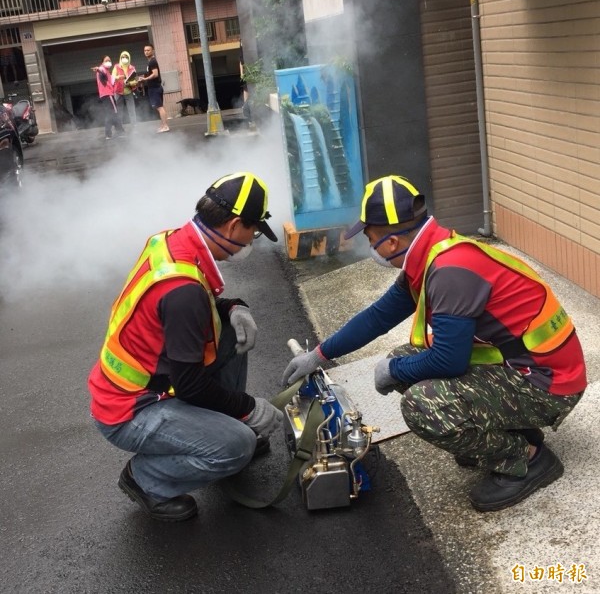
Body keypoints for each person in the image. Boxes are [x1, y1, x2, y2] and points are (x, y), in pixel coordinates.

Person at [282, 175, 587, 513]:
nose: (369, 246)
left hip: (549, 385)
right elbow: (379, 316)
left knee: (423, 405)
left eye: (370, 237)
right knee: (404, 359)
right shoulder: (433, 255)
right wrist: (321, 354)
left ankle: (526, 459)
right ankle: (515, 431)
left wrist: (392, 370)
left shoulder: (450, 271)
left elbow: (450, 360)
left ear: (392, 242)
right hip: (526, 368)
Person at [88, 171, 282, 522]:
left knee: (229, 334)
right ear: (234, 225)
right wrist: (249, 408)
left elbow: (194, 310)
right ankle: (146, 480)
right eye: (252, 232)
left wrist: (233, 307)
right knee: (236, 446)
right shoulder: (183, 290)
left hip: (146, 382)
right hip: (131, 411)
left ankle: (219, 429)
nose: (251, 241)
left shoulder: (173, 242)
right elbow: (191, 385)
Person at [91, 56, 125, 140]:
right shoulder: (102, 69)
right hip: (107, 94)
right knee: (113, 112)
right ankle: (115, 132)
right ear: (102, 62)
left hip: (107, 94)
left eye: (109, 60)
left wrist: (119, 77)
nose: (108, 62)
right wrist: (98, 69)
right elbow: (101, 73)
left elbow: (110, 79)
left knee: (111, 113)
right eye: (106, 60)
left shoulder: (107, 71)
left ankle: (115, 132)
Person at [137, 44, 169, 132]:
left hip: (155, 88)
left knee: (159, 107)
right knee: (159, 107)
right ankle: (163, 125)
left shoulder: (152, 62)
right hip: (154, 87)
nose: (146, 52)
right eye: (145, 50)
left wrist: (145, 79)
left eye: (148, 50)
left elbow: (155, 74)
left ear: (153, 51)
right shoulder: (150, 62)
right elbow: (151, 73)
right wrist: (143, 77)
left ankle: (165, 126)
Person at [112, 50, 138, 128]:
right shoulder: (117, 66)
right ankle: (119, 127)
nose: (124, 58)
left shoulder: (132, 67)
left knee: (131, 110)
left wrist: (129, 83)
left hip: (128, 91)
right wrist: (118, 77)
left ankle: (134, 125)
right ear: (120, 58)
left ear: (129, 58)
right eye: (123, 57)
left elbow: (135, 80)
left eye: (126, 57)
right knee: (119, 111)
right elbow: (112, 77)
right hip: (118, 92)